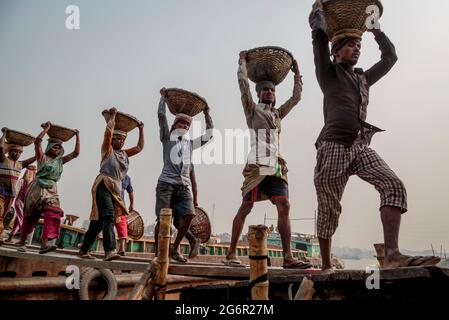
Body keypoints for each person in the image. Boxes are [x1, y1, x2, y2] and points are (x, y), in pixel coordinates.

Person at [309, 0, 440, 272]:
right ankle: (325, 265)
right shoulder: (328, 73)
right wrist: (318, 12)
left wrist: (376, 30)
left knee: (393, 185)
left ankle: (392, 254)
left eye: (358, 46)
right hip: (333, 146)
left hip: (359, 146)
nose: (355, 48)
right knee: (329, 208)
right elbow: (320, 38)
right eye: (349, 45)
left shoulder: (363, 78)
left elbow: (390, 57)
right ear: (335, 52)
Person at [224, 51, 310, 269]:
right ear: (259, 94)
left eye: (272, 90)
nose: (269, 92)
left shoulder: (278, 115)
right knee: (246, 206)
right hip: (257, 164)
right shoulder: (252, 110)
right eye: (265, 90)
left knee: (284, 205)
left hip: (276, 164)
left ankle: (288, 257)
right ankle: (232, 253)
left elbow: (296, 98)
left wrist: (297, 74)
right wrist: (242, 63)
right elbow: (243, 85)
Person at [154, 87, 213, 263]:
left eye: (187, 125)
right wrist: (163, 99)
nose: (184, 126)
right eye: (181, 123)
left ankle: (174, 248)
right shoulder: (166, 137)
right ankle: (159, 252)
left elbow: (209, 135)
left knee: (189, 215)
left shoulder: (189, 144)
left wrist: (207, 114)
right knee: (163, 219)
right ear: (174, 125)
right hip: (166, 184)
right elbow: (161, 117)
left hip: (184, 186)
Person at [79, 108, 144, 261]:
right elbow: (107, 134)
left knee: (98, 222)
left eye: (123, 140)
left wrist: (141, 129)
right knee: (109, 215)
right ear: (112, 140)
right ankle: (110, 250)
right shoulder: (107, 150)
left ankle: (84, 250)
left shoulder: (125, 154)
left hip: (115, 189)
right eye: (118, 139)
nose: (120, 142)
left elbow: (140, 147)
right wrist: (113, 117)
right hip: (104, 184)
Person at [18, 122, 80, 253]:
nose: (56, 150)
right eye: (54, 147)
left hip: (52, 189)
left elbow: (75, 153)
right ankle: (22, 242)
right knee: (31, 217)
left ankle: (45, 244)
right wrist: (47, 129)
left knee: (53, 213)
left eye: (59, 149)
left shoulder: (60, 161)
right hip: (37, 188)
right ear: (49, 147)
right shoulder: (42, 157)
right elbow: (37, 142)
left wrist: (77, 136)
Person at [0, 129, 36, 244]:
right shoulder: (3, 159)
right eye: (14, 151)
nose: (17, 154)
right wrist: (4, 134)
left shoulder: (21, 164)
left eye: (19, 153)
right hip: (0, 192)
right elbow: (1, 148)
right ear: (9, 152)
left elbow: (36, 157)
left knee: (4, 215)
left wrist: (37, 143)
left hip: (10, 194)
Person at [6, 165, 37, 242]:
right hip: (20, 201)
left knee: (18, 220)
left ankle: (10, 237)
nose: (31, 173)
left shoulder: (34, 183)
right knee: (21, 218)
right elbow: (16, 192)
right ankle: (24, 236)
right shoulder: (22, 181)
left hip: (27, 203)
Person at [115, 174, 134, 256]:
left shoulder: (127, 178)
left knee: (122, 225)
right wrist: (131, 204)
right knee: (120, 225)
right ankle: (118, 248)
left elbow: (130, 191)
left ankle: (122, 248)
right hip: (113, 203)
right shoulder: (113, 174)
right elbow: (131, 191)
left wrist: (132, 204)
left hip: (119, 204)